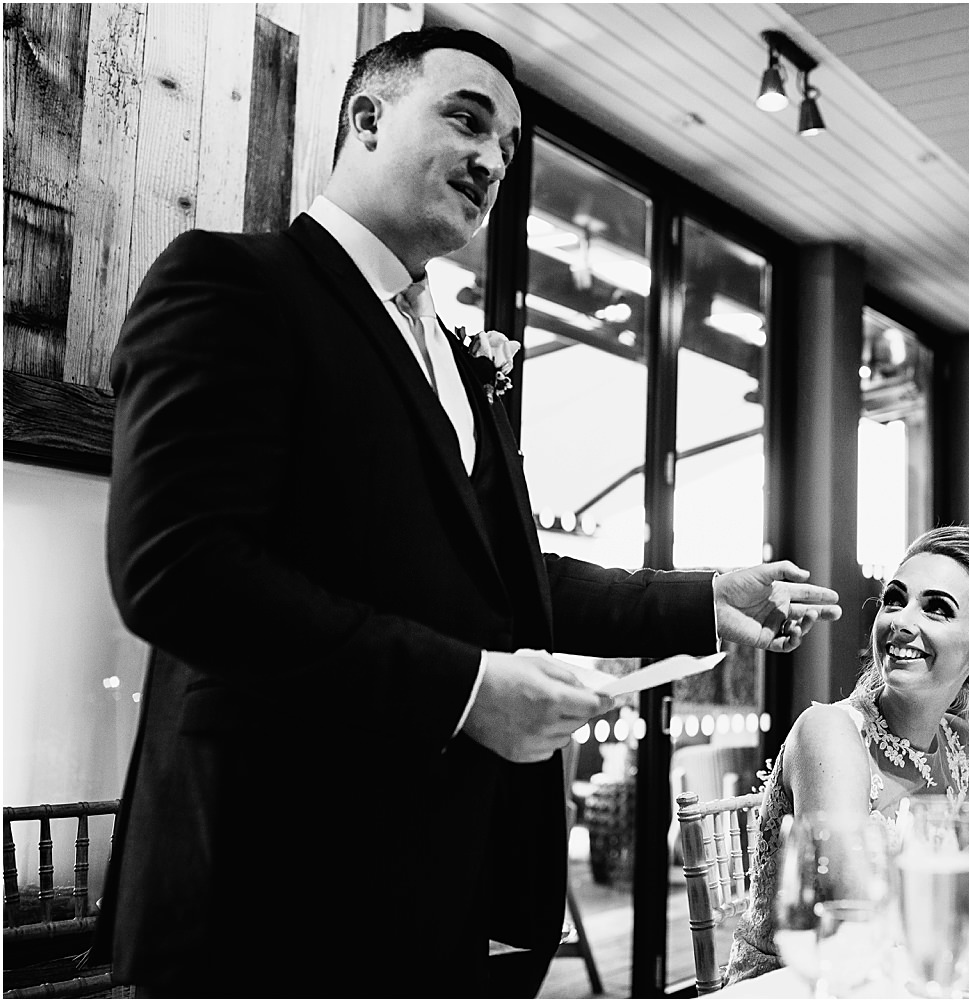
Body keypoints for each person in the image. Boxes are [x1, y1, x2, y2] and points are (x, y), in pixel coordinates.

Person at [95, 27, 840, 998]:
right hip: (272, 883)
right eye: (467, 118)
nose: (493, 160)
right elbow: (178, 570)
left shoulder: (449, 351)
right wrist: (465, 689)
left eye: (511, 144)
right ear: (366, 117)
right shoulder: (235, 287)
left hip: (441, 889)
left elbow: (511, 581)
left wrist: (703, 597)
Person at [724, 524, 969, 985]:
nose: (901, 621)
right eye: (895, 599)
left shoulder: (962, 748)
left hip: (904, 979)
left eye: (936, 608)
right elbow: (856, 906)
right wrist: (961, 891)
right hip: (802, 988)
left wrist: (962, 887)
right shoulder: (830, 732)